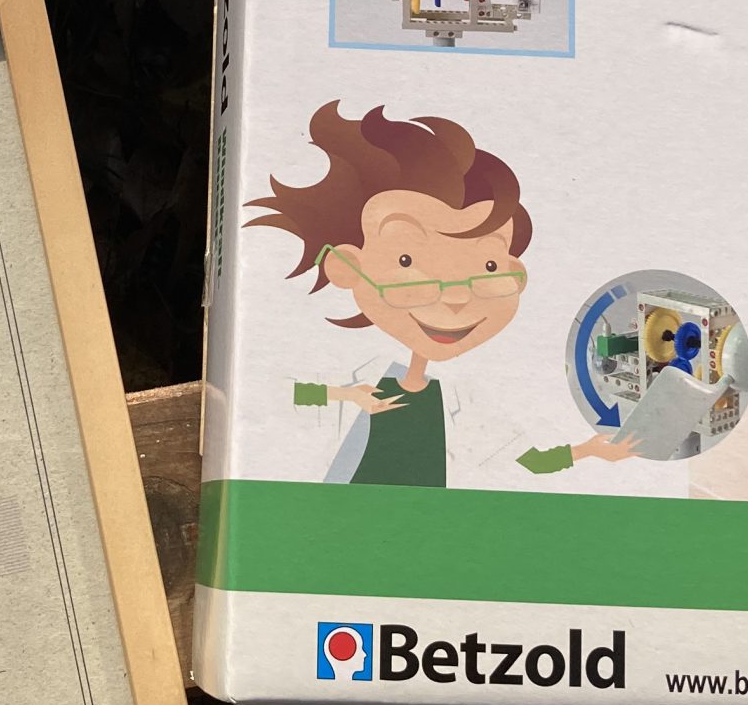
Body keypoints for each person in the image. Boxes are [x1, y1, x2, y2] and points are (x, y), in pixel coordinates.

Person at [247, 102, 633, 486]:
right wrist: (347, 396)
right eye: (407, 259)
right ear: (348, 267)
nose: (456, 299)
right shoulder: (352, 368)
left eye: (489, 266)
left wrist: (587, 451)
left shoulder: (459, 400)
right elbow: (262, 394)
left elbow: (527, 460)